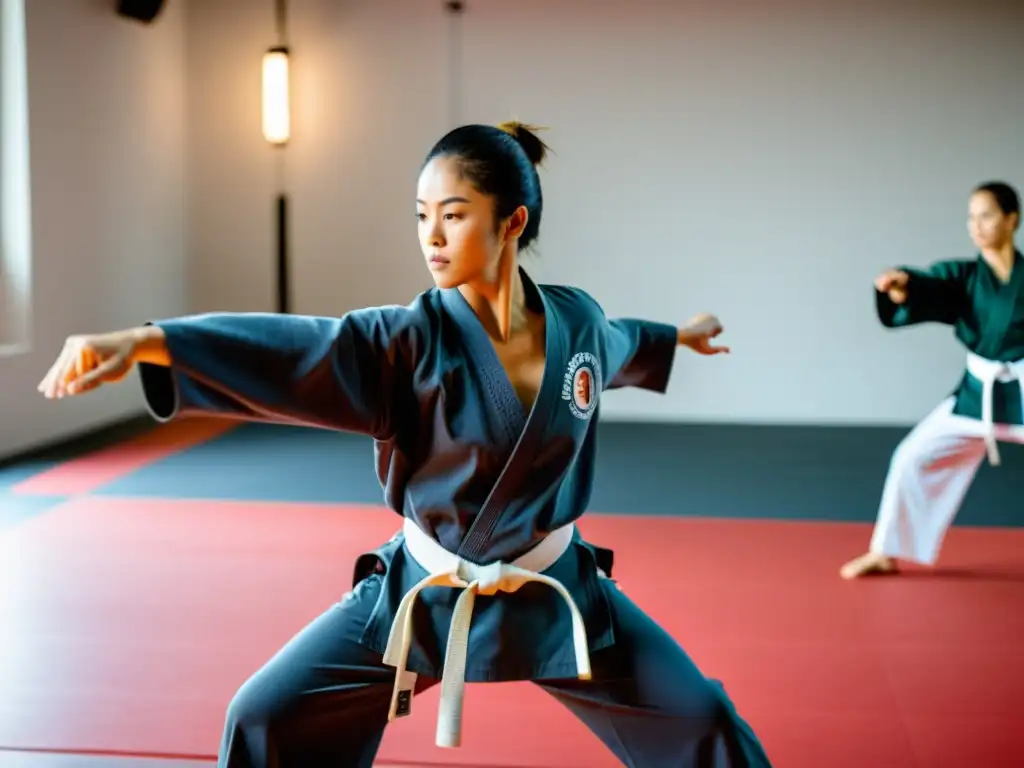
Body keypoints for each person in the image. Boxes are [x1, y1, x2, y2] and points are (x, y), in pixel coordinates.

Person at [38, 121, 773, 767]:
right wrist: (150, 343)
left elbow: (618, 344)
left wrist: (678, 337)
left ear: (511, 223)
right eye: (422, 216)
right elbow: (296, 349)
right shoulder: (405, 340)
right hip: (422, 594)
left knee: (703, 721)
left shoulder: (577, 323)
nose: (431, 236)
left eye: (454, 216)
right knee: (264, 716)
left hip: (560, 596)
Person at [840, 180, 1023, 580]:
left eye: (987, 215)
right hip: (978, 395)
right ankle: (886, 551)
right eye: (971, 216)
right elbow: (934, 287)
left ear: (1012, 220)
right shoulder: (965, 276)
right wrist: (905, 285)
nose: (976, 225)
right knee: (912, 457)